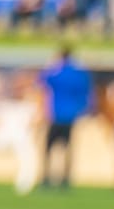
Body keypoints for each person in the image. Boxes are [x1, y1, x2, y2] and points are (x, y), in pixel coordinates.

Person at [38, 46, 90, 192]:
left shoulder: (57, 72)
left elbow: (41, 80)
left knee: (48, 148)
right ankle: (65, 179)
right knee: (67, 148)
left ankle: (46, 178)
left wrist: (50, 66)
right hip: (71, 116)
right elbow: (85, 92)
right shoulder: (79, 73)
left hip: (56, 115)